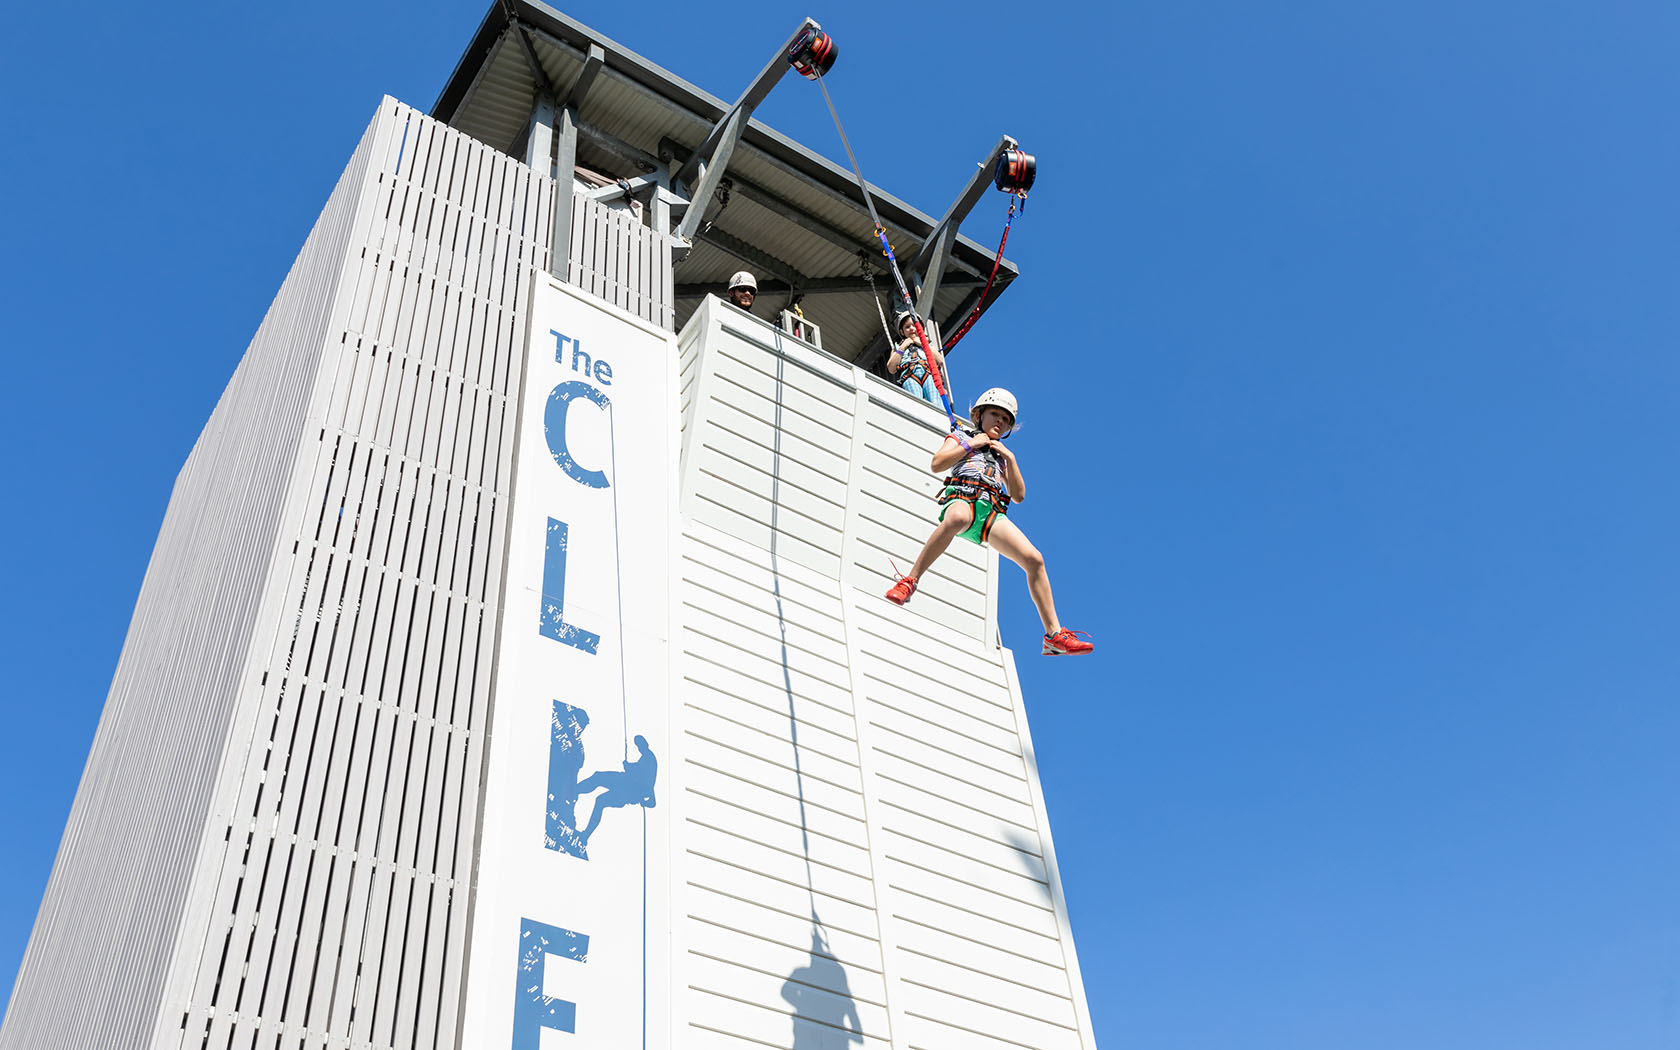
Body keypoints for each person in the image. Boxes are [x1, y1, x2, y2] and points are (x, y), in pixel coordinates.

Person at [885, 388, 1094, 656]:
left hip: (991, 513)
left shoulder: (1001, 456)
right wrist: (971, 444)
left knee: (1035, 559)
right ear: (979, 415)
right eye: (995, 414)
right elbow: (937, 464)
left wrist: (1010, 458)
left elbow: (1018, 496)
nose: (1000, 421)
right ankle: (909, 581)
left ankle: (1054, 635)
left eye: (1005, 420)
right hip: (962, 498)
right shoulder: (960, 436)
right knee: (958, 517)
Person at [886, 310, 944, 407]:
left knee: (935, 401)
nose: (912, 329)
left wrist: (922, 344)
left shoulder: (927, 343)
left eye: (915, 326)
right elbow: (891, 368)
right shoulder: (898, 347)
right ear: (902, 331)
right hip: (909, 375)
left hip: (928, 373)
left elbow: (940, 360)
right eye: (907, 327)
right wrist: (903, 347)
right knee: (916, 403)